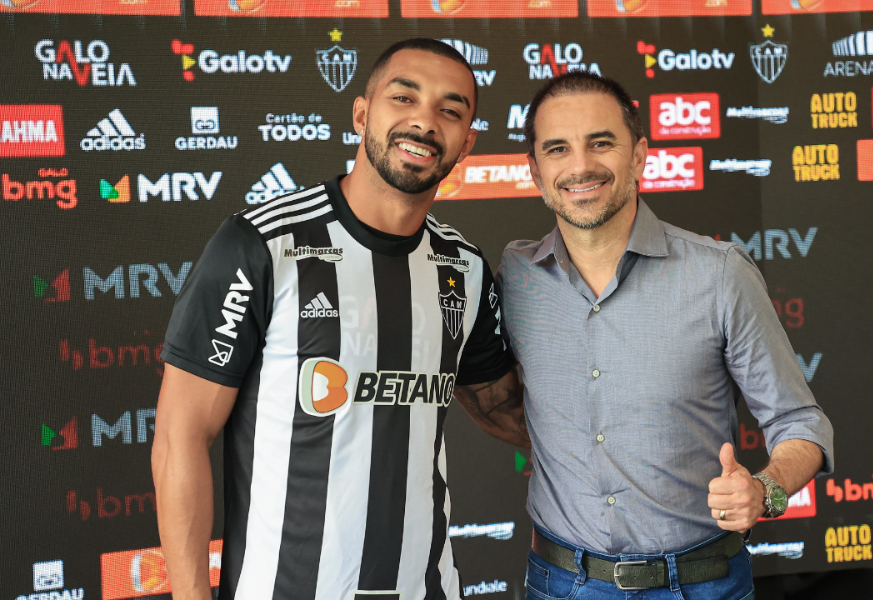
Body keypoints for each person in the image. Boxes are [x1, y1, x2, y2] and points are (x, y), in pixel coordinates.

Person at [151, 38, 528, 600]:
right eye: (404, 98)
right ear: (361, 113)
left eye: (450, 110)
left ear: (466, 142)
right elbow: (181, 436)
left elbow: (505, 408)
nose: (424, 122)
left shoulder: (463, 267)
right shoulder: (262, 244)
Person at [496, 72, 834, 599]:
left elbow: (801, 421)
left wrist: (764, 490)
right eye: (558, 149)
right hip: (559, 582)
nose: (581, 165)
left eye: (601, 142)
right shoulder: (516, 276)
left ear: (639, 156)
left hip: (701, 584)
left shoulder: (719, 274)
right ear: (536, 172)